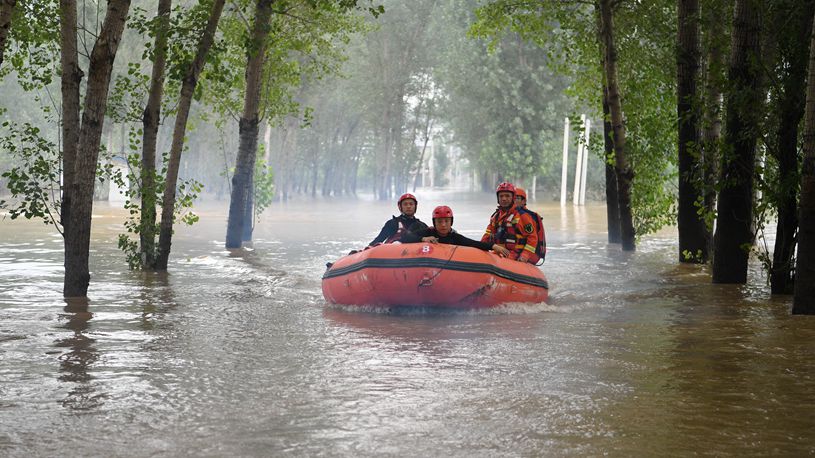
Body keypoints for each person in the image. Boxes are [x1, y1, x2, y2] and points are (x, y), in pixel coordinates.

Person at [402, 206, 510, 255]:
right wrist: (423, 239)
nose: (443, 225)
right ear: (434, 223)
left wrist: (493, 246)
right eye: (439, 222)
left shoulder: (455, 237)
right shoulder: (428, 232)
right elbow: (405, 237)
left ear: (451, 222)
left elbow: (473, 243)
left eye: (446, 221)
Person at [481, 182, 540, 264]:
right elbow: (487, 236)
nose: (504, 199)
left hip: (515, 255)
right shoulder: (495, 217)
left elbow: (532, 238)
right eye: (501, 196)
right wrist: (480, 248)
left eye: (507, 196)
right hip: (498, 253)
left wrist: (525, 255)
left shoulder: (523, 216)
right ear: (498, 198)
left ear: (513, 198)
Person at [514, 187, 546, 263]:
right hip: (512, 251)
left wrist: (525, 255)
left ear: (523, 201)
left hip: (527, 254)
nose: (514, 201)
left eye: (517, 198)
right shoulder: (503, 215)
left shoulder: (525, 216)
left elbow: (532, 238)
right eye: (512, 198)